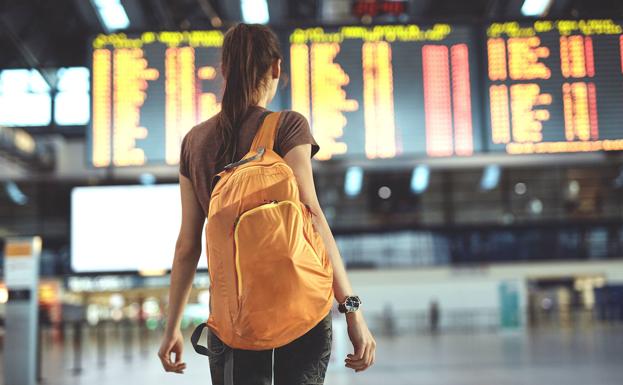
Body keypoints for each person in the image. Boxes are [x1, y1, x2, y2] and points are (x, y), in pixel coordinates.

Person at [157, 23, 376, 384]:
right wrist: (353, 311)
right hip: (302, 313)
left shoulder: (193, 143)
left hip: (234, 323)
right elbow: (314, 218)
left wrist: (172, 328)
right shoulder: (287, 126)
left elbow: (186, 247)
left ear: (224, 70)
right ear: (276, 68)